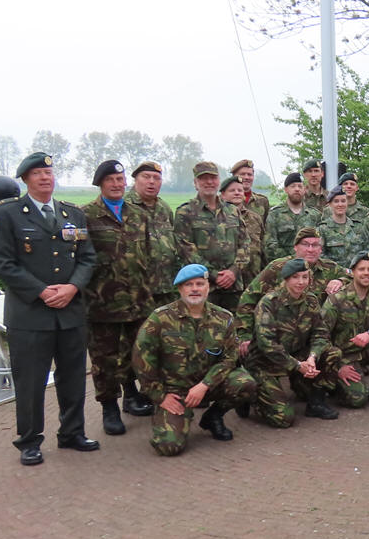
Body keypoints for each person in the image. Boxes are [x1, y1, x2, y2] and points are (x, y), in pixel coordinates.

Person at [0, 152, 99, 466]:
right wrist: (40, 291)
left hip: (70, 311)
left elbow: (87, 257)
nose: (45, 178)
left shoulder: (73, 215)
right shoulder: (8, 214)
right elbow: (3, 263)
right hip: (29, 315)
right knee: (30, 381)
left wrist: (72, 287)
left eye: (49, 173)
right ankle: (29, 440)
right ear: (25, 179)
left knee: (73, 376)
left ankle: (72, 433)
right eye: (38, 173)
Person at [133, 264, 258, 456]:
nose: (194, 289)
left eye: (200, 283)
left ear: (208, 287)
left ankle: (213, 417)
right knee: (168, 447)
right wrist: (160, 396)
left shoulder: (224, 318)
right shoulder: (160, 319)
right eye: (188, 285)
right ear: (179, 289)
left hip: (208, 385)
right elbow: (142, 359)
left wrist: (205, 385)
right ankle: (177, 417)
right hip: (175, 392)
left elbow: (229, 359)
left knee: (245, 383)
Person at [82, 160, 155, 435]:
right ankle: (109, 407)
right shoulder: (86, 215)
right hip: (103, 303)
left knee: (137, 352)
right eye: (111, 180)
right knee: (105, 359)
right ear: (100, 183)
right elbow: (81, 258)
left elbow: (146, 254)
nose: (117, 184)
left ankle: (132, 395)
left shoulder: (137, 214)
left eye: (120, 179)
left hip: (138, 299)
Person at [246, 259, 338, 426]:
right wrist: (297, 365)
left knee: (332, 353)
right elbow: (267, 345)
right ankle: (251, 399)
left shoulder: (311, 300)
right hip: (265, 362)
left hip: (297, 357)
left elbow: (320, 333)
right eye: (295, 277)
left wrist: (312, 357)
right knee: (283, 419)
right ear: (286, 279)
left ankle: (315, 403)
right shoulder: (269, 303)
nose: (301, 282)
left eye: (305, 277)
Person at [235, 227, 349, 356]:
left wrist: (340, 280)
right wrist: (245, 335)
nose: (310, 249)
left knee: (332, 356)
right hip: (275, 338)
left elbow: (355, 277)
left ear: (321, 249)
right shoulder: (277, 268)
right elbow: (249, 298)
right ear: (295, 247)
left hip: (310, 338)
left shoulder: (330, 269)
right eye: (305, 244)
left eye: (315, 245)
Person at [318, 251, 369, 409]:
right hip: (345, 355)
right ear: (353, 272)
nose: (366, 273)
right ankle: (333, 383)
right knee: (358, 400)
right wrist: (338, 366)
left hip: (368, 348)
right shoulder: (337, 299)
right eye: (362, 269)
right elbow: (320, 336)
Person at [173, 161, 251, 311]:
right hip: (201, 285)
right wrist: (214, 275)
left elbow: (245, 244)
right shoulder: (186, 212)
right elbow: (185, 249)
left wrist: (233, 271)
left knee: (232, 328)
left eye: (213, 178)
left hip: (233, 286)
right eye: (204, 178)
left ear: (218, 181)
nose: (209, 182)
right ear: (196, 183)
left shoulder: (232, 211)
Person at [126, 160, 178, 307]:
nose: (151, 182)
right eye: (146, 177)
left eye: (156, 178)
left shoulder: (164, 208)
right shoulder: (124, 206)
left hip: (166, 289)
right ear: (136, 180)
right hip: (137, 291)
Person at [265, 172, 321, 263]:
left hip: (309, 265)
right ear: (286, 189)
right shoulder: (275, 214)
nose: (297, 189)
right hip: (283, 265)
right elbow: (270, 245)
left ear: (305, 189)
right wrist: (293, 260)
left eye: (300, 186)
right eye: (293, 186)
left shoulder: (315, 215)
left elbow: (320, 243)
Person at [221, 175, 266, 282]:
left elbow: (263, 248)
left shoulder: (255, 218)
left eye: (240, 190)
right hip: (228, 279)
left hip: (252, 277)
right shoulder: (217, 218)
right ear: (223, 195)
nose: (237, 193)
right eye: (232, 190)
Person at [318, 186, 359, 266]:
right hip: (333, 276)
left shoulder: (357, 227)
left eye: (343, 201)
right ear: (330, 204)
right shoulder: (322, 229)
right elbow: (320, 256)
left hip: (356, 275)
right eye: (336, 201)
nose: (340, 204)